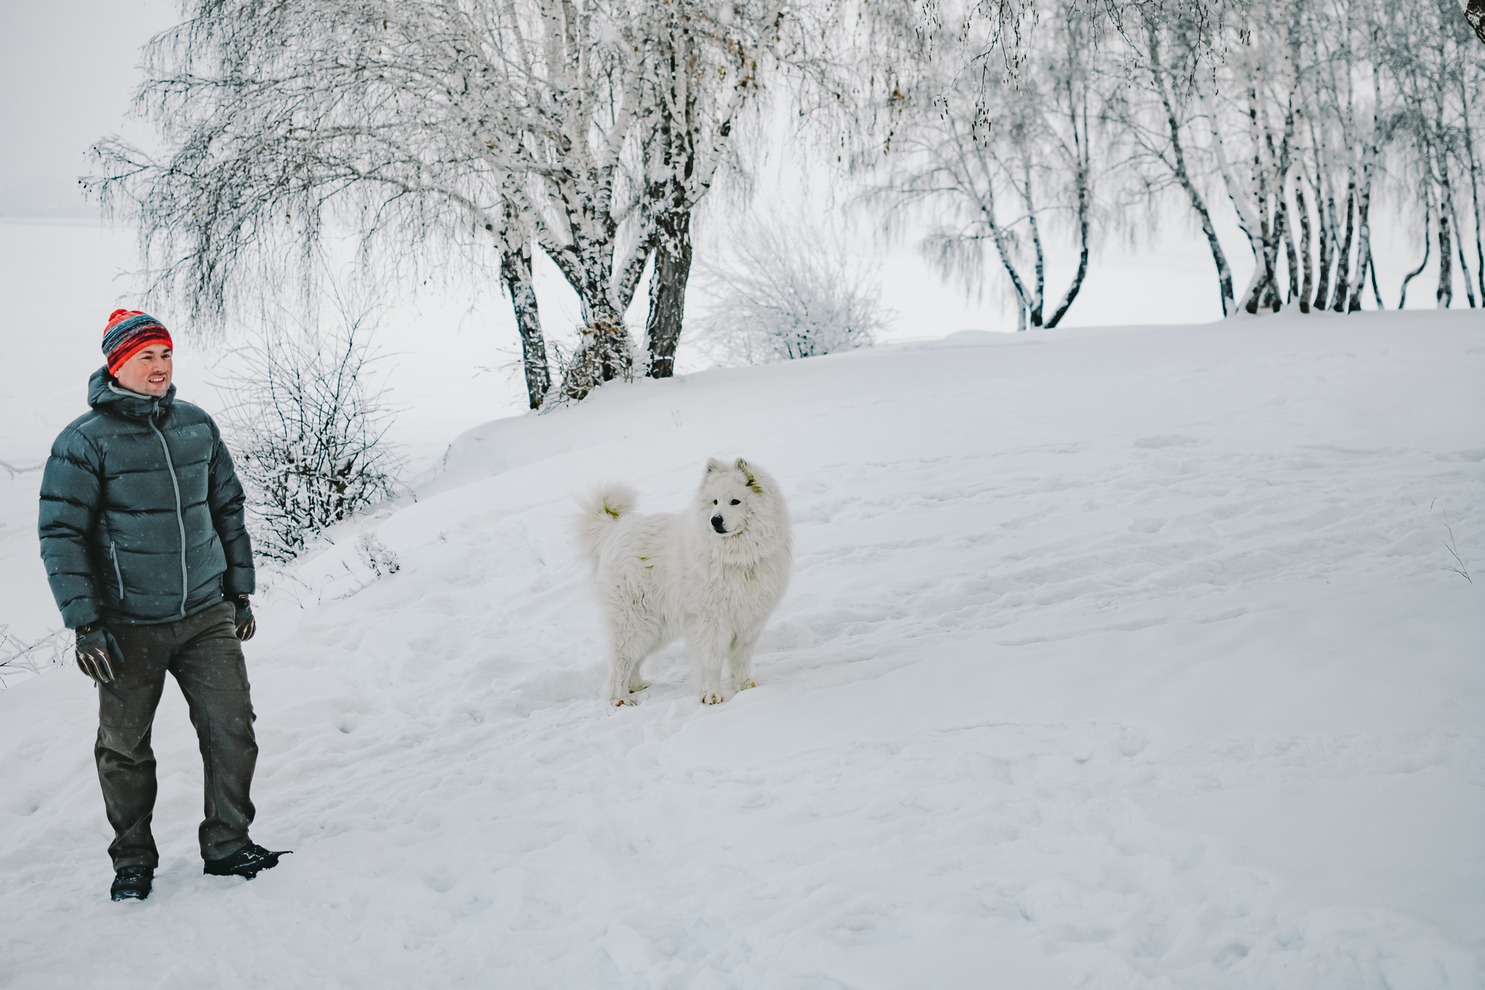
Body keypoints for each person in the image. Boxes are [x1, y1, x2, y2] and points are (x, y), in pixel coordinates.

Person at [38, 309, 287, 902]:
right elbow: (61, 535)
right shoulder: (82, 442)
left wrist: (238, 590)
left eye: (166, 355)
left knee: (232, 732)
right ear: (116, 363)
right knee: (124, 748)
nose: (159, 367)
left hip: (205, 614)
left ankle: (228, 845)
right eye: (146, 357)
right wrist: (86, 623)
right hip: (127, 626)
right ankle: (132, 860)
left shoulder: (197, 426)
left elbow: (228, 507)